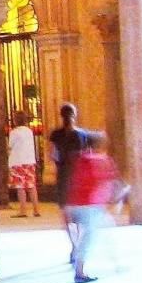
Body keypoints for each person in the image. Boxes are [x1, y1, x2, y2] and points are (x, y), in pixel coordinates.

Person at [64, 132, 127, 283]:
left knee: (105, 229)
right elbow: (108, 181)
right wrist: (118, 197)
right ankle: (80, 270)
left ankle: (117, 262)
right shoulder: (101, 160)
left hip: (75, 202)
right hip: (91, 204)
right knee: (90, 236)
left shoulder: (80, 159)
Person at [47, 103, 88, 256]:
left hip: (63, 177)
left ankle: (74, 245)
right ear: (74, 115)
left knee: (66, 215)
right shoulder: (81, 134)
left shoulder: (55, 134)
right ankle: (79, 245)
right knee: (79, 215)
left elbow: (52, 154)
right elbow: (84, 157)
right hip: (77, 178)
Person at [6, 117, 42, 217]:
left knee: (20, 187)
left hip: (17, 161)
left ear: (15, 121)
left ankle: (23, 210)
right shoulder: (29, 131)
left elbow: (10, 146)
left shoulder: (14, 132)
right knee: (31, 186)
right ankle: (36, 210)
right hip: (29, 161)